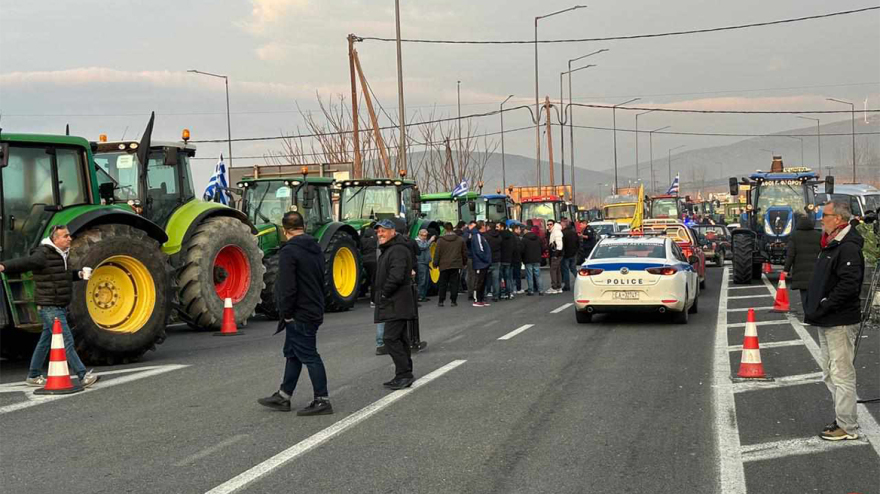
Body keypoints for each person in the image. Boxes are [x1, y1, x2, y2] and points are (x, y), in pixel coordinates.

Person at [0, 225, 99, 388]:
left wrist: (79, 274)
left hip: (58, 305)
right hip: (50, 306)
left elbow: (63, 275)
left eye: (69, 235)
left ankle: (33, 375)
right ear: (55, 239)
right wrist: (3, 266)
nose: (70, 238)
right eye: (65, 236)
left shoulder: (62, 254)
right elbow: (26, 262)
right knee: (66, 340)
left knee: (45, 341)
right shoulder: (43, 254)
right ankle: (82, 376)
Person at [258, 212, 332, 415]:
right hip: (314, 306)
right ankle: (284, 395)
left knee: (309, 355)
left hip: (300, 311)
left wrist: (287, 312)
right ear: (303, 226)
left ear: (284, 229)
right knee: (293, 353)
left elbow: (288, 286)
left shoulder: (289, 251)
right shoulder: (315, 247)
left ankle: (322, 399)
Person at [804, 199, 865, 441]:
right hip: (827, 319)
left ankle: (847, 426)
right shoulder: (832, 243)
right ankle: (842, 418)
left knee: (841, 374)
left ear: (838, 219)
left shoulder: (847, 247)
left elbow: (849, 285)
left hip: (838, 320)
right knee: (830, 373)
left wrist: (825, 305)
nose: (821, 219)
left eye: (825, 215)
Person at [373, 218, 417, 389]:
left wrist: (384, 293)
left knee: (390, 338)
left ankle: (404, 374)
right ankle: (404, 373)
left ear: (393, 232)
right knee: (400, 337)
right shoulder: (390, 249)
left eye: (383, 231)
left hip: (396, 301)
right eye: (378, 231)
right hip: (395, 301)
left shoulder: (397, 250)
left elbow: (396, 276)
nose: (379, 234)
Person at [783, 212, 822, 315]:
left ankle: (807, 315)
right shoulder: (818, 235)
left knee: (804, 294)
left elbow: (790, 255)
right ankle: (815, 312)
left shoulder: (795, 236)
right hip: (816, 270)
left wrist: (786, 270)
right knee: (814, 293)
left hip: (800, 271)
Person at [433, 222, 467, 307]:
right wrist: (464, 262)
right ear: (453, 228)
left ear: (444, 229)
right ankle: (453, 301)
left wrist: (435, 263)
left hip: (443, 265)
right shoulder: (460, 239)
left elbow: (437, 253)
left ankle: (441, 301)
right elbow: (464, 253)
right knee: (454, 283)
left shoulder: (440, 240)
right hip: (456, 264)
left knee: (442, 283)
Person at [470, 221, 492, 307]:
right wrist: (486, 259)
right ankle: (477, 299)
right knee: (479, 281)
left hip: (483, 263)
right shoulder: (477, 236)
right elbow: (479, 250)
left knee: (483, 282)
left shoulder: (481, 236)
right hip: (480, 262)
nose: (486, 228)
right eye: (485, 226)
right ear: (482, 226)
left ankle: (481, 298)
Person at [521, 224, 544, 296]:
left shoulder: (524, 239)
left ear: (526, 230)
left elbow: (522, 250)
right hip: (537, 258)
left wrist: (522, 258)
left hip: (528, 259)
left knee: (529, 275)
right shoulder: (538, 238)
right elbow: (542, 248)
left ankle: (531, 290)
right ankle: (541, 290)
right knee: (538, 274)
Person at [360, 223, 378, 307]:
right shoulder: (375, 238)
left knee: (367, 277)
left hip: (364, 260)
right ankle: (373, 300)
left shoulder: (362, 239)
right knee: (374, 280)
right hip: (373, 260)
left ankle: (362, 291)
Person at [415, 229, 435, 302]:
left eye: (426, 236)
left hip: (425, 263)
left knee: (426, 281)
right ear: (419, 234)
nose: (425, 237)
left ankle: (423, 296)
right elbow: (423, 247)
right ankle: (420, 296)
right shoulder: (417, 241)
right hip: (421, 263)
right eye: (423, 235)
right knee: (422, 281)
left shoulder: (424, 241)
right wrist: (430, 240)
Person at [484, 221, 502, 301]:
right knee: (496, 279)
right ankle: (496, 296)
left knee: (483, 278)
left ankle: (483, 295)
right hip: (496, 259)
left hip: (486, 259)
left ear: (488, 227)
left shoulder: (485, 236)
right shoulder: (499, 236)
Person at [561, 219, 579, 292]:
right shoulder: (573, 232)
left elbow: (562, 245)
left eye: (561, 225)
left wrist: (562, 253)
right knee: (573, 269)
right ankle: (580, 281)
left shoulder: (562, 233)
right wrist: (576, 251)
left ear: (564, 225)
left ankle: (567, 285)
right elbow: (578, 243)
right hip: (573, 253)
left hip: (566, 255)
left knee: (565, 270)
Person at [499, 222, 516, 299]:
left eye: (498, 226)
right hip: (509, 259)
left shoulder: (499, 236)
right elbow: (514, 247)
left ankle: (503, 292)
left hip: (501, 258)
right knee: (508, 277)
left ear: (502, 227)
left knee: (501, 277)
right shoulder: (512, 235)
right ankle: (510, 293)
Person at [548, 221, 564, 293]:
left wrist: (555, 255)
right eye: (548, 224)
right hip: (557, 254)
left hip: (556, 254)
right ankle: (558, 287)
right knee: (557, 270)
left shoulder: (556, 232)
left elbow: (559, 245)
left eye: (550, 224)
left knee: (553, 270)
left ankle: (554, 287)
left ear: (554, 225)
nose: (549, 226)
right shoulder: (554, 231)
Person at [463, 221, 477, 299]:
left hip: (472, 256)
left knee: (472, 275)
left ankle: (472, 291)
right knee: (471, 275)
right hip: (470, 256)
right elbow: (464, 242)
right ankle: (471, 292)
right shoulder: (467, 233)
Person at [510, 224, 524, 294]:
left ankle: (512, 289)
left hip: (511, 258)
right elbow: (519, 249)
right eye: (519, 229)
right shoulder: (517, 238)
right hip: (517, 258)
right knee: (517, 274)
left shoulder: (511, 237)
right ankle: (518, 288)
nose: (520, 230)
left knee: (511, 275)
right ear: (515, 229)